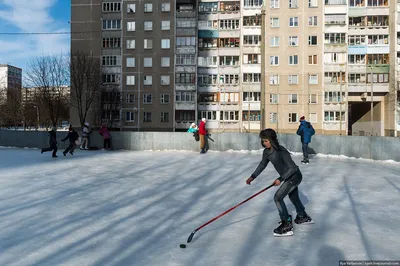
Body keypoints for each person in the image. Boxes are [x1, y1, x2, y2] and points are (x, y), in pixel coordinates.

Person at [245, 128, 314, 237]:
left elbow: (292, 168)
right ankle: (302, 216)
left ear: (272, 140)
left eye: (266, 140)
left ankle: (286, 224)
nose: (264, 143)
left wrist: (280, 179)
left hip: (294, 176)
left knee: (278, 197)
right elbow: (263, 164)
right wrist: (253, 176)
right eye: (263, 141)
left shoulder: (281, 151)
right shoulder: (266, 152)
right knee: (293, 197)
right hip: (287, 177)